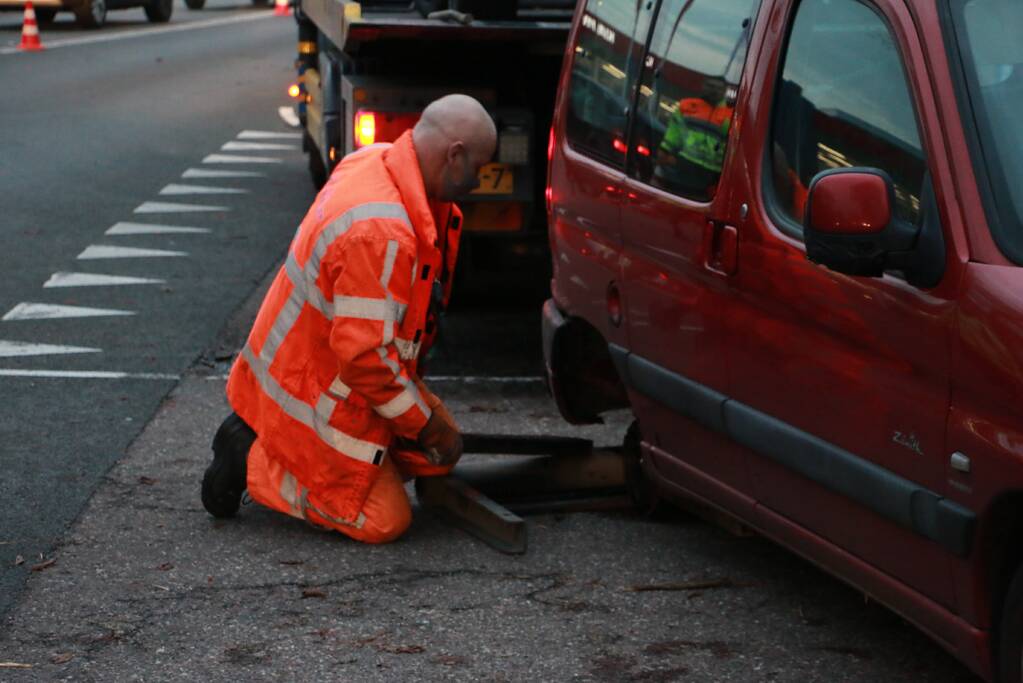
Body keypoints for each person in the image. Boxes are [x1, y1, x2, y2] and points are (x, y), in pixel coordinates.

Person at [201, 94, 498, 543]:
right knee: (385, 520)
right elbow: (365, 360)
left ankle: (340, 460)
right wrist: (425, 423)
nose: (479, 181)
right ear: (454, 155)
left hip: (317, 371)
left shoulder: (376, 161)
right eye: (478, 168)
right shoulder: (382, 232)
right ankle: (251, 457)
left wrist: (426, 425)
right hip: (315, 395)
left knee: (439, 454)